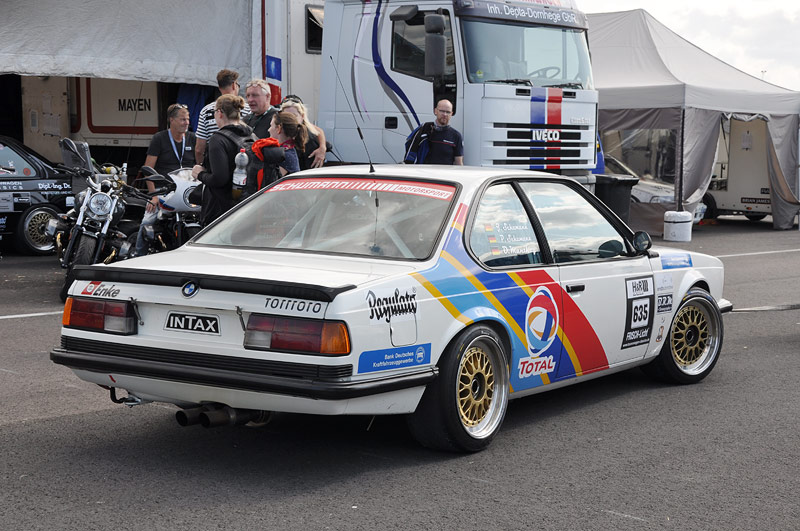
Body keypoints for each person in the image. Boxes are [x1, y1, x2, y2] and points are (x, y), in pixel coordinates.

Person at [134, 103, 196, 256]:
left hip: (187, 192)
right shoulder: (159, 138)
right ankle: (138, 256)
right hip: (165, 192)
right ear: (171, 120)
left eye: (188, 119)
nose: (187, 123)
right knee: (147, 221)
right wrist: (154, 196)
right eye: (183, 119)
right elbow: (148, 168)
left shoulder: (192, 138)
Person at [191, 94, 254, 225]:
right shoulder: (251, 135)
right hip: (248, 204)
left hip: (221, 210)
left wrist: (200, 174)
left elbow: (219, 179)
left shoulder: (218, 139)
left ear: (219, 113)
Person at [195, 69, 251, 164]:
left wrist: (201, 167)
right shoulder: (246, 109)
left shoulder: (206, 111)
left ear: (219, 88)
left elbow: (199, 149)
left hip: (214, 164)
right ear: (234, 85)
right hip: (242, 164)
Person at [404, 99, 464, 165]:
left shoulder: (456, 136)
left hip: (445, 172)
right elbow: (410, 152)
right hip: (423, 171)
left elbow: (458, 163)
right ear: (435, 111)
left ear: (451, 114)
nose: (445, 114)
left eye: (448, 112)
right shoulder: (424, 130)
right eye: (442, 111)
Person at [280, 96, 328, 170]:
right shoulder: (281, 133)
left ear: (302, 116)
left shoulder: (307, 138)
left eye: (294, 116)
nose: (290, 119)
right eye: (287, 116)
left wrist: (322, 148)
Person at [268, 111, 308, 176]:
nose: (269, 130)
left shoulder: (284, 156)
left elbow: (272, 179)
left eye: (271, 126)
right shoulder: (288, 151)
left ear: (278, 128)